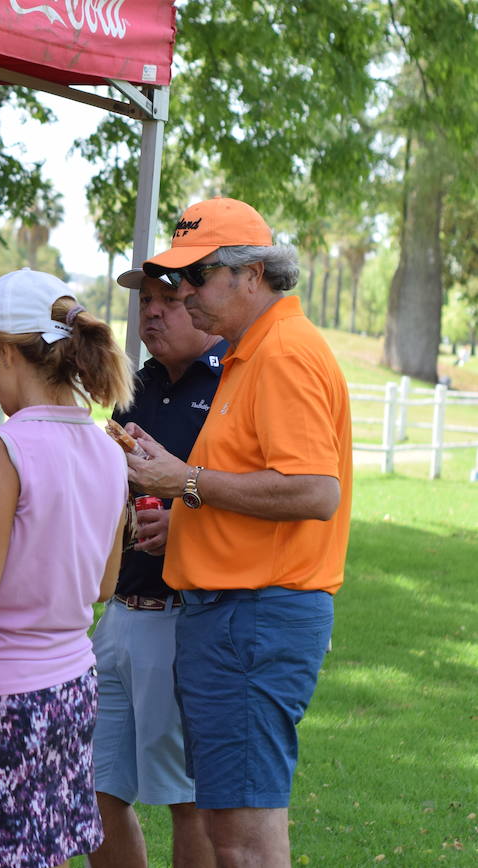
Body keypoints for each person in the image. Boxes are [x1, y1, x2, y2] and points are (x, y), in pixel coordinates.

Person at [124, 198, 351, 867]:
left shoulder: (282, 355)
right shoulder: (252, 354)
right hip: (234, 615)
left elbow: (314, 491)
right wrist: (186, 513)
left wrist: (183, 484)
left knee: (244, 843)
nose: (182, 294)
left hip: (252, 616)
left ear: (251, 275)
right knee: (228, 832)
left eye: (196, 277)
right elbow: (256, 483)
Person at [0, 267, 133, 868]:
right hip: (71, 687)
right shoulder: (108, 447)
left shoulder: (2, 449)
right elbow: (103, 585)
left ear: (3, 350)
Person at [88, 271, 222, 868]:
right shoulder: (132, 388)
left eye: (170, 300)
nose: (154, 313)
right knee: (92, 788)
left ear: (201, 302)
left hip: (183, 619)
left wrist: (187, 527)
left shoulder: (231, 387)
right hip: (114, 616)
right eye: (146, 302)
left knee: (184, 799)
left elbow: (256, 494)